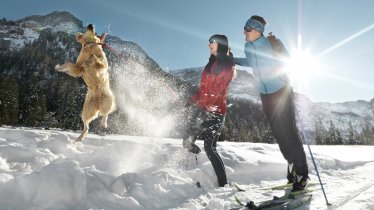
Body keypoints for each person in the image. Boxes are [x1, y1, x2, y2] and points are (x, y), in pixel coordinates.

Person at [234, 15, 309, 191]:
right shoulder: (247, 46)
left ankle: (302, 174)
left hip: (281, 90)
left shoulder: (273, 43)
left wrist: (280, 69)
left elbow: (288, 61)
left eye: (247, 29)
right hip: (265, 94)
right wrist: (233, 60)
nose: (244, 31)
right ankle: (291, 162)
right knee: (278, 132)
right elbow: (250, 62)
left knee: (289, 131)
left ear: (257, 30)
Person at [182, 34, 235, 187]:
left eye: (212, 42)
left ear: (220, 44)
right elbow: (204, 90)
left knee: (210, 147)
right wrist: (190, 101)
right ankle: (200, 167)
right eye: (209, 42)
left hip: (216, 112)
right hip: (204, 109)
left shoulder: (227, 65)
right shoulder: (210, 63)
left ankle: (223, 183)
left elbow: (216, 90)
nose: (209, 45)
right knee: (187, 141)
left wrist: (206, 108)